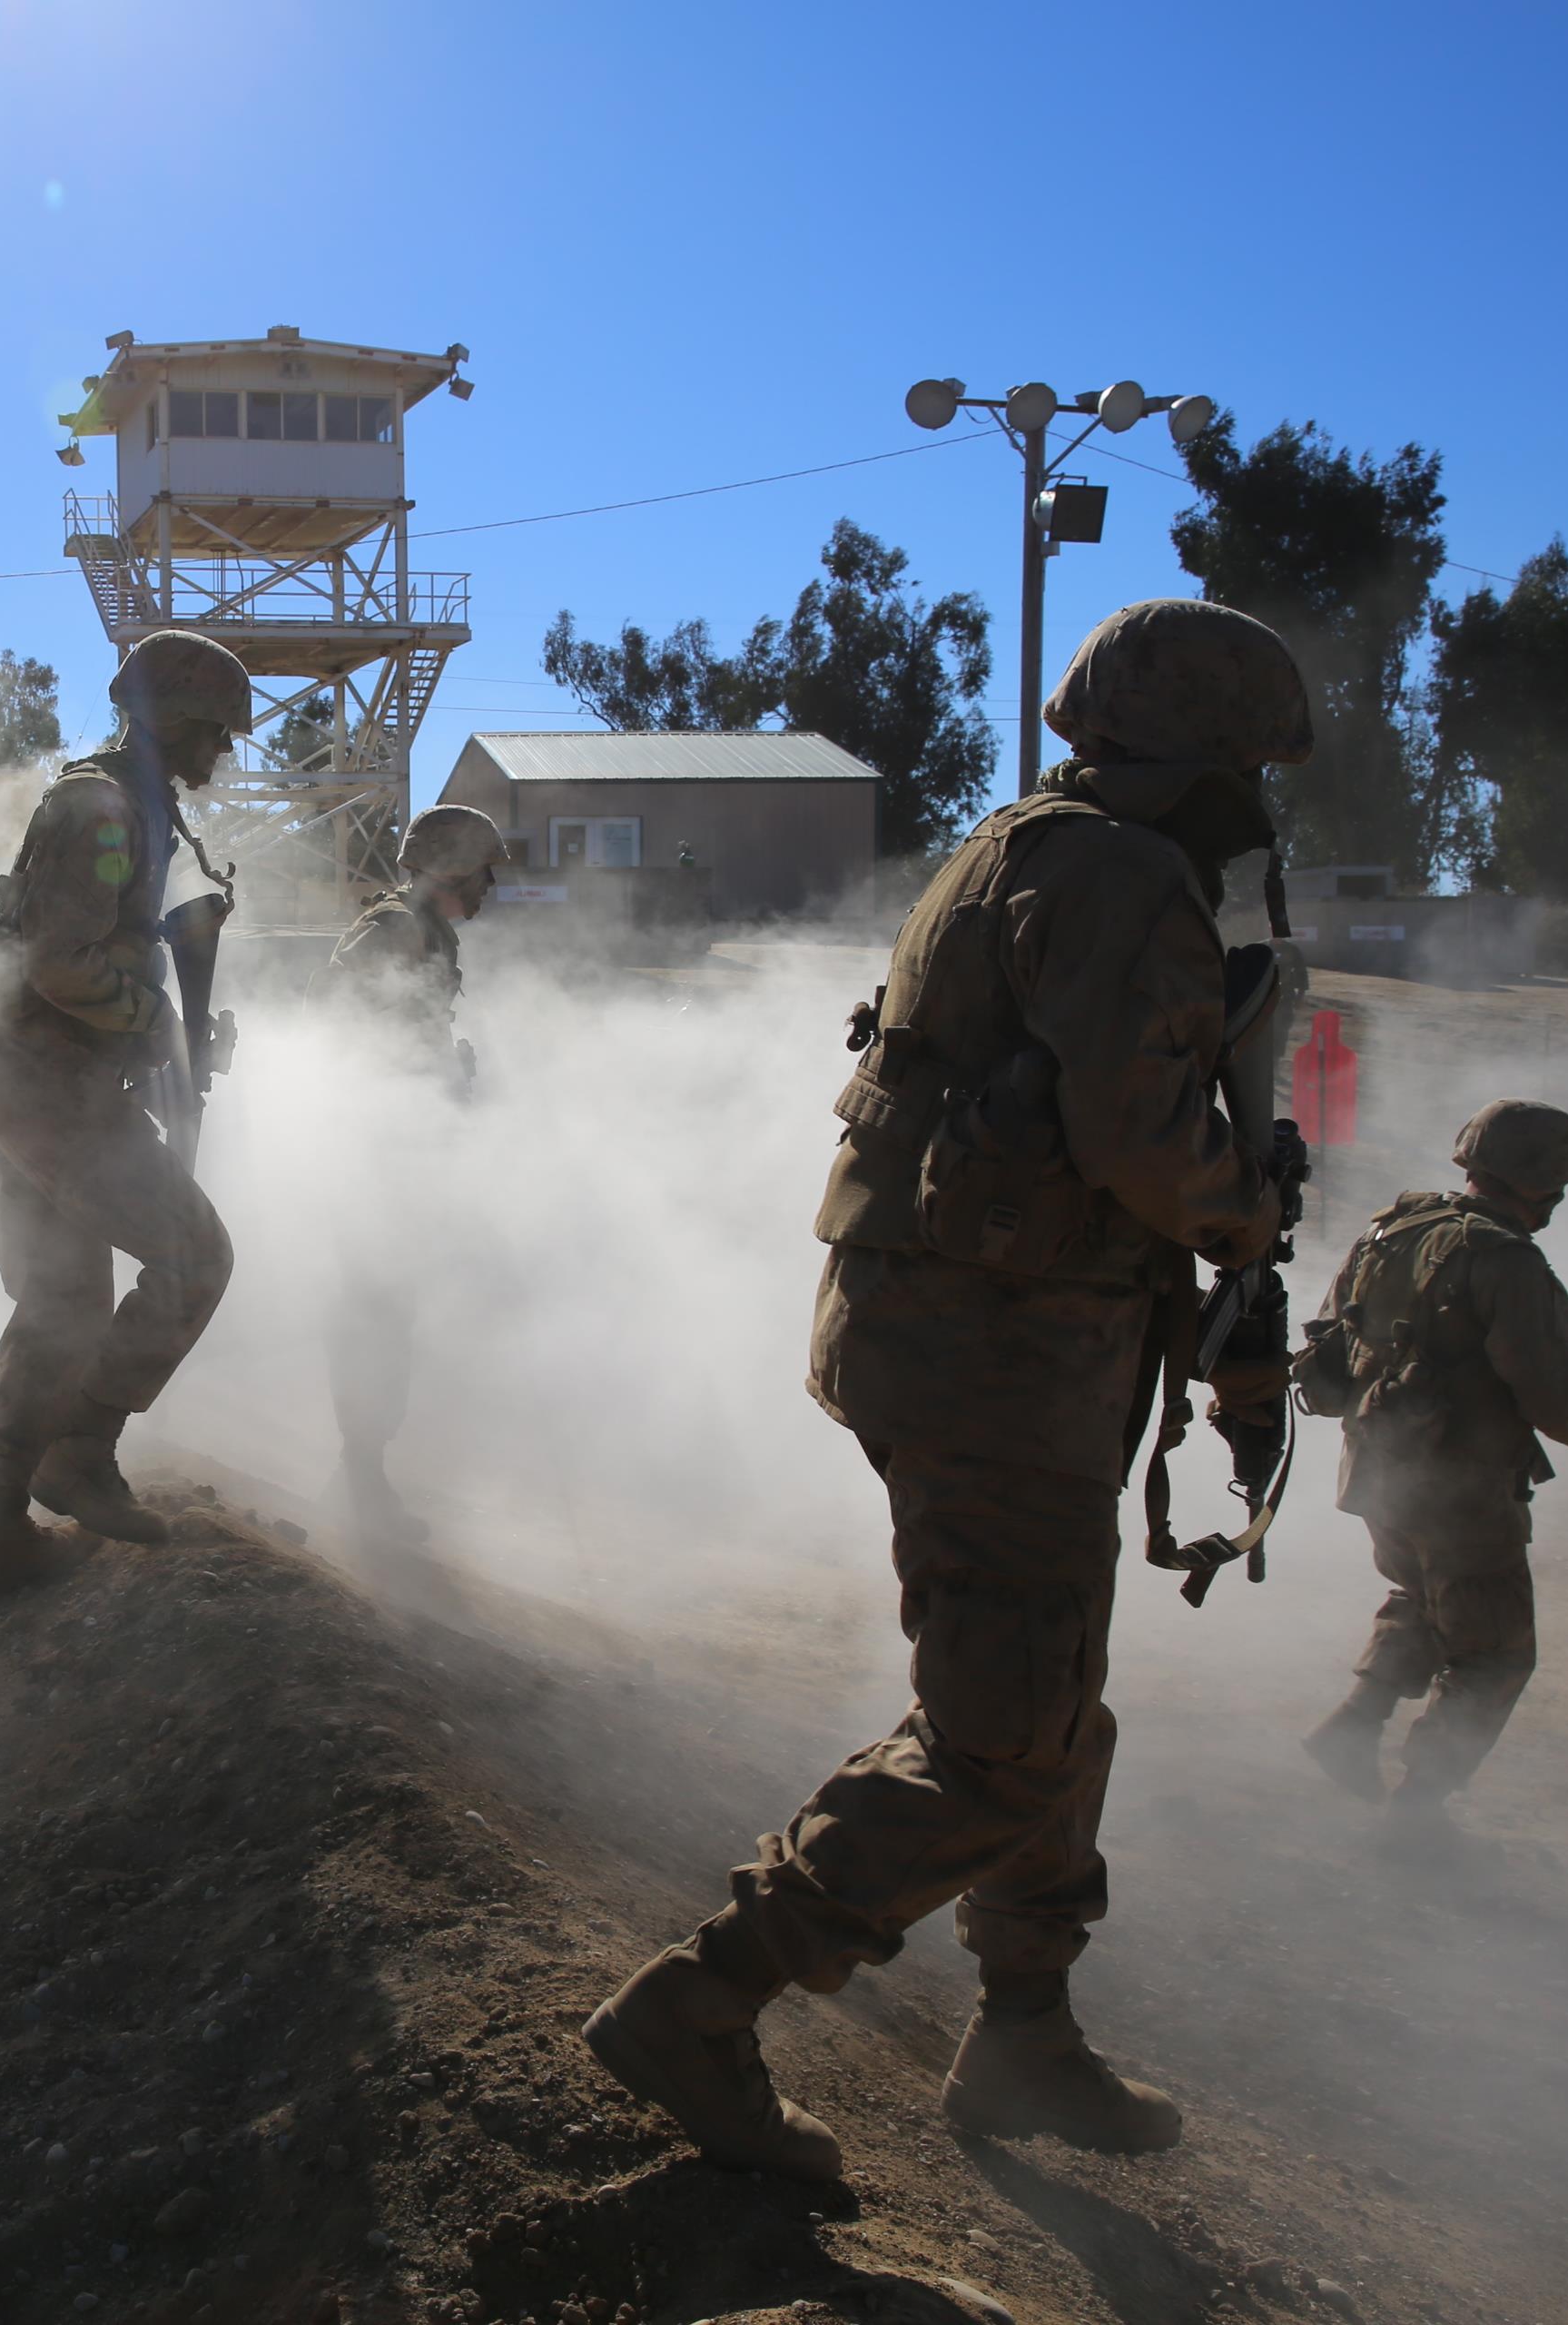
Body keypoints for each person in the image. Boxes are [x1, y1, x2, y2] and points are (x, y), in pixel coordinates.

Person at [581, 599, 1310, 2181]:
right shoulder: (1120, 874)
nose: (1259, 793)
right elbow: (1137, 1134)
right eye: (1250, 760)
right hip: (1001, 1351)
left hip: (989, 1334)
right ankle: (703, 2005)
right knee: (1001, 1742)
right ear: (1202, 748)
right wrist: (1247, 1210)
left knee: (1049, 1701)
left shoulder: (1025, 843)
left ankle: (1028, 2031)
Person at [0, 630, 247, 1594]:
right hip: (50, 1092)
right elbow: (58, 960)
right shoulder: (102, 808)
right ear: (174, 720)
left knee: (62, 1301)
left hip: (35, 1086)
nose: (223, 753)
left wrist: (175, 1032)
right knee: (197, 1255)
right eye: (212, 730)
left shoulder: (132, 807)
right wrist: (159, 1023)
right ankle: (81, 1449)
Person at [1296, 1101, 1568, 1855]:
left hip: (1380, 1468)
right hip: (1460, 1487)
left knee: (1422, 1598)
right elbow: (1547, 1389)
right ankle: (1418, 1813)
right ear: (1538, 1178)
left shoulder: (1394, 1226)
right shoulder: (1506, 1260)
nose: (1560, 1200)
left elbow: (1334, 1331)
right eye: (1559, 1183)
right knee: (1495, 1652)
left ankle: (1353, 1725)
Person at [318, 803, 505, 1543]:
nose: (492, 884)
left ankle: (363, 1475)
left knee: (390, 1313)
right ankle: (361, 1482)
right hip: (373, 1151)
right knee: (374, 1312)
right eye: (484, 869)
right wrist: (401, 1074)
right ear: (454, 866)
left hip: (397, 1148)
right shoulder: (394, 927)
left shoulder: (429, 930)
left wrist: (440, 1070)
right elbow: (332, 1014)